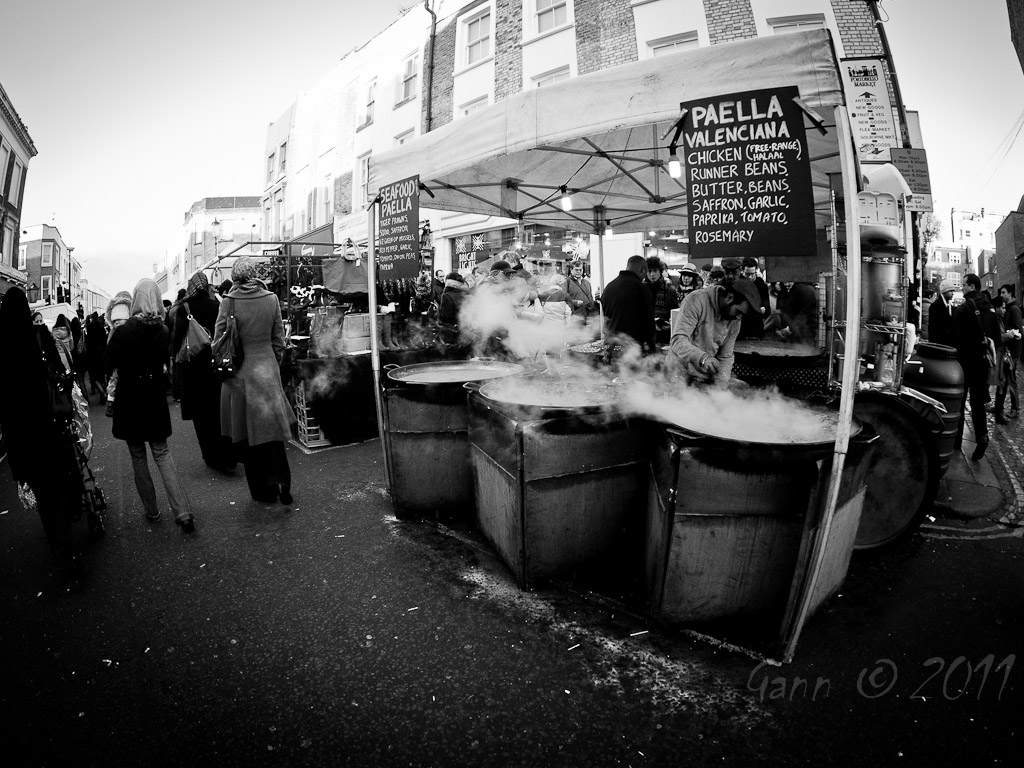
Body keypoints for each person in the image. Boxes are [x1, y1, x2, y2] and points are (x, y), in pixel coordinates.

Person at [0, 288, 86, 580]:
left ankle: (63, 557)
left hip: (22, 436)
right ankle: (70, 536)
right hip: (49, 428)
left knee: (45, 500)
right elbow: (61, 374)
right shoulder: (39, 337)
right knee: (58, 486)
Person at [105, 279, 196, 532]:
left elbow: (107, 363)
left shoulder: (122, 332)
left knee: (138, 455)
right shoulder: (163, 331)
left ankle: (152, 511)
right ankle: (183, 512)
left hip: (130, 400)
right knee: (162, 453)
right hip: (154, 398)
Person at [216, 257, 296, 505]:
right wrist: (273, 362)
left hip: (240, 374)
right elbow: (278, 340)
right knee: (271, 432)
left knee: (248, 435)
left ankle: (262, 491)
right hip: (267, 369)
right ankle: (281, 481)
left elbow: (219, 339)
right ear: (255, 273)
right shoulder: (271, 299)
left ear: (236, 275)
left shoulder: (229, 303)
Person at [173, 271, 236, 472]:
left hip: (193, 368)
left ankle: (210, 456)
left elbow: (176, 341)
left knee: (201, 417)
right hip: (214, 366)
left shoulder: (184, 308)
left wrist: (175, 359)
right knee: (218, 412)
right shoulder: (216, 306)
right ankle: (227, 456)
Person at [668, 278, 764, 385]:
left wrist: (721, 385)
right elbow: (678, 341)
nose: (738, 317)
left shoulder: (735, 319)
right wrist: (703, 358)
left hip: (705, 378)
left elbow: (725, 356)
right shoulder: (696, 300)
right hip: (679, 374)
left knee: (741, 386)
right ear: (729, 298)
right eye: (738, 311)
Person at [951, 274, 999, 461]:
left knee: (960, 401)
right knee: (978, 403)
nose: (961, 288)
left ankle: (956, 441)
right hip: (982, 364)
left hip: (965, 363)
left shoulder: (964, 309)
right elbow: (996, 335)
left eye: (963, 285)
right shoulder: (991, 309)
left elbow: (953, 336)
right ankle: (982, 437)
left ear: (971, 286)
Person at [600, 255, 656, 354]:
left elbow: (606, 320)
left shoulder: (609, 287)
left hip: (611, 347)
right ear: (643, 270)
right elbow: (648, 324)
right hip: (631, 349)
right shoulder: (640, 288)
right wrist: (653, 350)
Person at [996, 283, 1021, 422]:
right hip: (1007, 351)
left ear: (1010, 293)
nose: (1001, 295)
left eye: (1004, 292)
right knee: (1005, 380)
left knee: (1011, 380)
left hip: (1011, 352)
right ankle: (1000, 407)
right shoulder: (1010, 308)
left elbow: (1019, 332)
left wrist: (1008, 333)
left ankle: (1015, 408)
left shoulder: (1014, 309)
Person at [645, 257, 679, 345]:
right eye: (649, 271)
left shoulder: (669, 289)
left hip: (664, 333)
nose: (652, 274)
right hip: (646, 333)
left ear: (660, 271)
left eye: (655, 271)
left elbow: (674, 311)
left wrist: (670, 323)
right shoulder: (641, 289)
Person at [737, 257, 771, 340]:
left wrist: (764, 309)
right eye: (747, 274)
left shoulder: (761, 285)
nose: (750, 277)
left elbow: (767, 308)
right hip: (740, 327)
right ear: (742, 270)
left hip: (757, 327)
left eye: (753, 274)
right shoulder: (737, 284)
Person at [437, 271, 469, 347]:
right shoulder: (465, 294)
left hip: (451, 332)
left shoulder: (447, 295)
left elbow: (446, 316)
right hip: (464, 331)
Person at [565, 260, 596, 329]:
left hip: (587, 317)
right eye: (576, 270)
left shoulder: (587, 282)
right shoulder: (567, 282)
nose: (578, 272)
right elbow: (564, 299)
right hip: (574, 317)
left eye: (580, 270)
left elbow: (590, 297)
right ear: (571, 270)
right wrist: (574, 302)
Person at [85, 312, 108, 400]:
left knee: (94, 377)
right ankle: (103, 393)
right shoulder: (101, 328)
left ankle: (103, 393)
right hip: (101, 355)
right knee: (101, 376)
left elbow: (88, 342)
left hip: (92, 355)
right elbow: (104, 342)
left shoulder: (90, 328)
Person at [928, 280, 956, 346]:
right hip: (939, 344)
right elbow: (932, 328)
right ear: (944, 292)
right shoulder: (935, 306)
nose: (952, 293)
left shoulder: (950, 306)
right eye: (950, 291)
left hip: (947, 344)